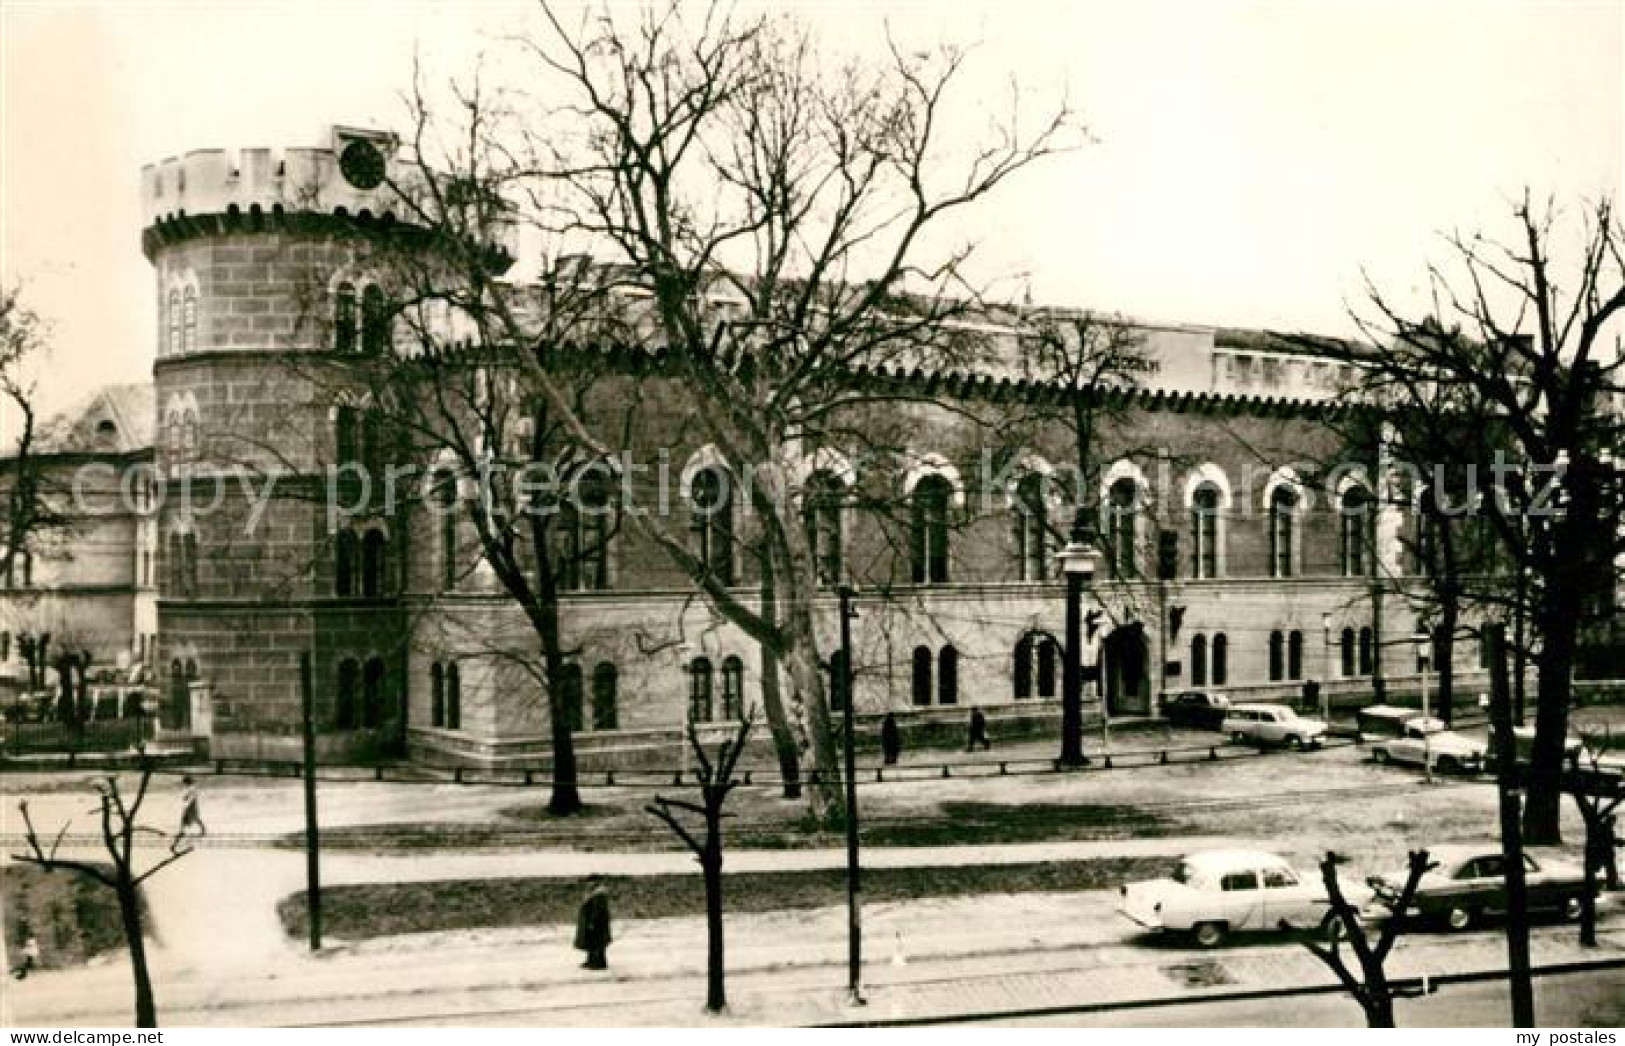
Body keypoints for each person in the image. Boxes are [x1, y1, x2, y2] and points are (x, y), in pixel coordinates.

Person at [574, 876, 612, 970]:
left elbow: (597, 910)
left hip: (597, 924)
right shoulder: (594, 893)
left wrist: (592, 922)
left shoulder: (599, 894)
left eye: (590, 882)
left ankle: (597, 963)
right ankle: (592, 961)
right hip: (594, 923)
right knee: (592, 943)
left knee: (597, 943)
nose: (588, 884)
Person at [173, 775, 205, 851]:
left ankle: (181, 833)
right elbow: (190, 797)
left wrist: (186, 803)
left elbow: (190, 799)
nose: (184, 784)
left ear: (187, 782)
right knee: (196, 818)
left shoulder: (191, 789)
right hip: (192, 808)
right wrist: (186, 798)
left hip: (190, 808)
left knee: (185, 821)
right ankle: (203, 830)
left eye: (184, 782)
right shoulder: (192, 788)